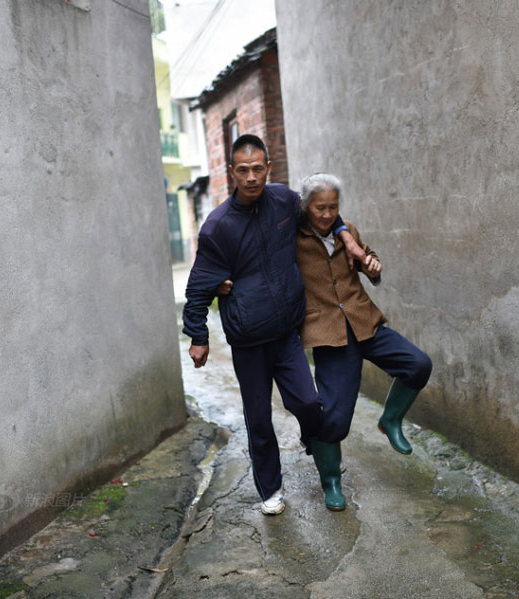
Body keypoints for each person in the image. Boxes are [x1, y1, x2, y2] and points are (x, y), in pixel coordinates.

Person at [182, 135, 367, 516]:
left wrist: (344, 233)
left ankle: (313, 442)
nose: (251, 177)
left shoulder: (284, 201)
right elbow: (198, 287)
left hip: (286, 331)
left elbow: (321, 216)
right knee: (259, 418)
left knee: (308, 402)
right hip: (248, 339)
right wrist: (198, 336)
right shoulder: (218, 227)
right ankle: (271, 488)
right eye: (243, 170)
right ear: (231, 172)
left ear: (269, 168)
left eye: (258, 168)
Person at [294, 173, 432, 510]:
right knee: (334, 419)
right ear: (306, 207)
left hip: (364, 321)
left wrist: (373, 267)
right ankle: (331, 482)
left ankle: (390, 419)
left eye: (333, 207)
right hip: (330, 334)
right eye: (319, 207)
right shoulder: (292, 239)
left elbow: (371, 264)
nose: (327, 214)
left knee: (418, 364)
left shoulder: (348, 231)